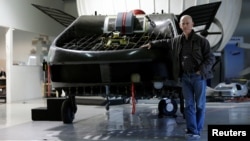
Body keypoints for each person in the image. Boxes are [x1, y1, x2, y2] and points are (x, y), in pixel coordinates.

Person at [140, 15, 215, 140]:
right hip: (185, 78)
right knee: (189, 105)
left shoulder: (201, 41)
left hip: (198, 77)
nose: (185, 25)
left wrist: (200, 70)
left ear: (192, 24)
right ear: (180, 26)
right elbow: (165, 43)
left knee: (200, 105)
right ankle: (193, 131)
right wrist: (151, 44)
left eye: (187, 23)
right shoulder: (176, 41)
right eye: (183, 23)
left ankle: (198, 128)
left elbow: (210, 58)